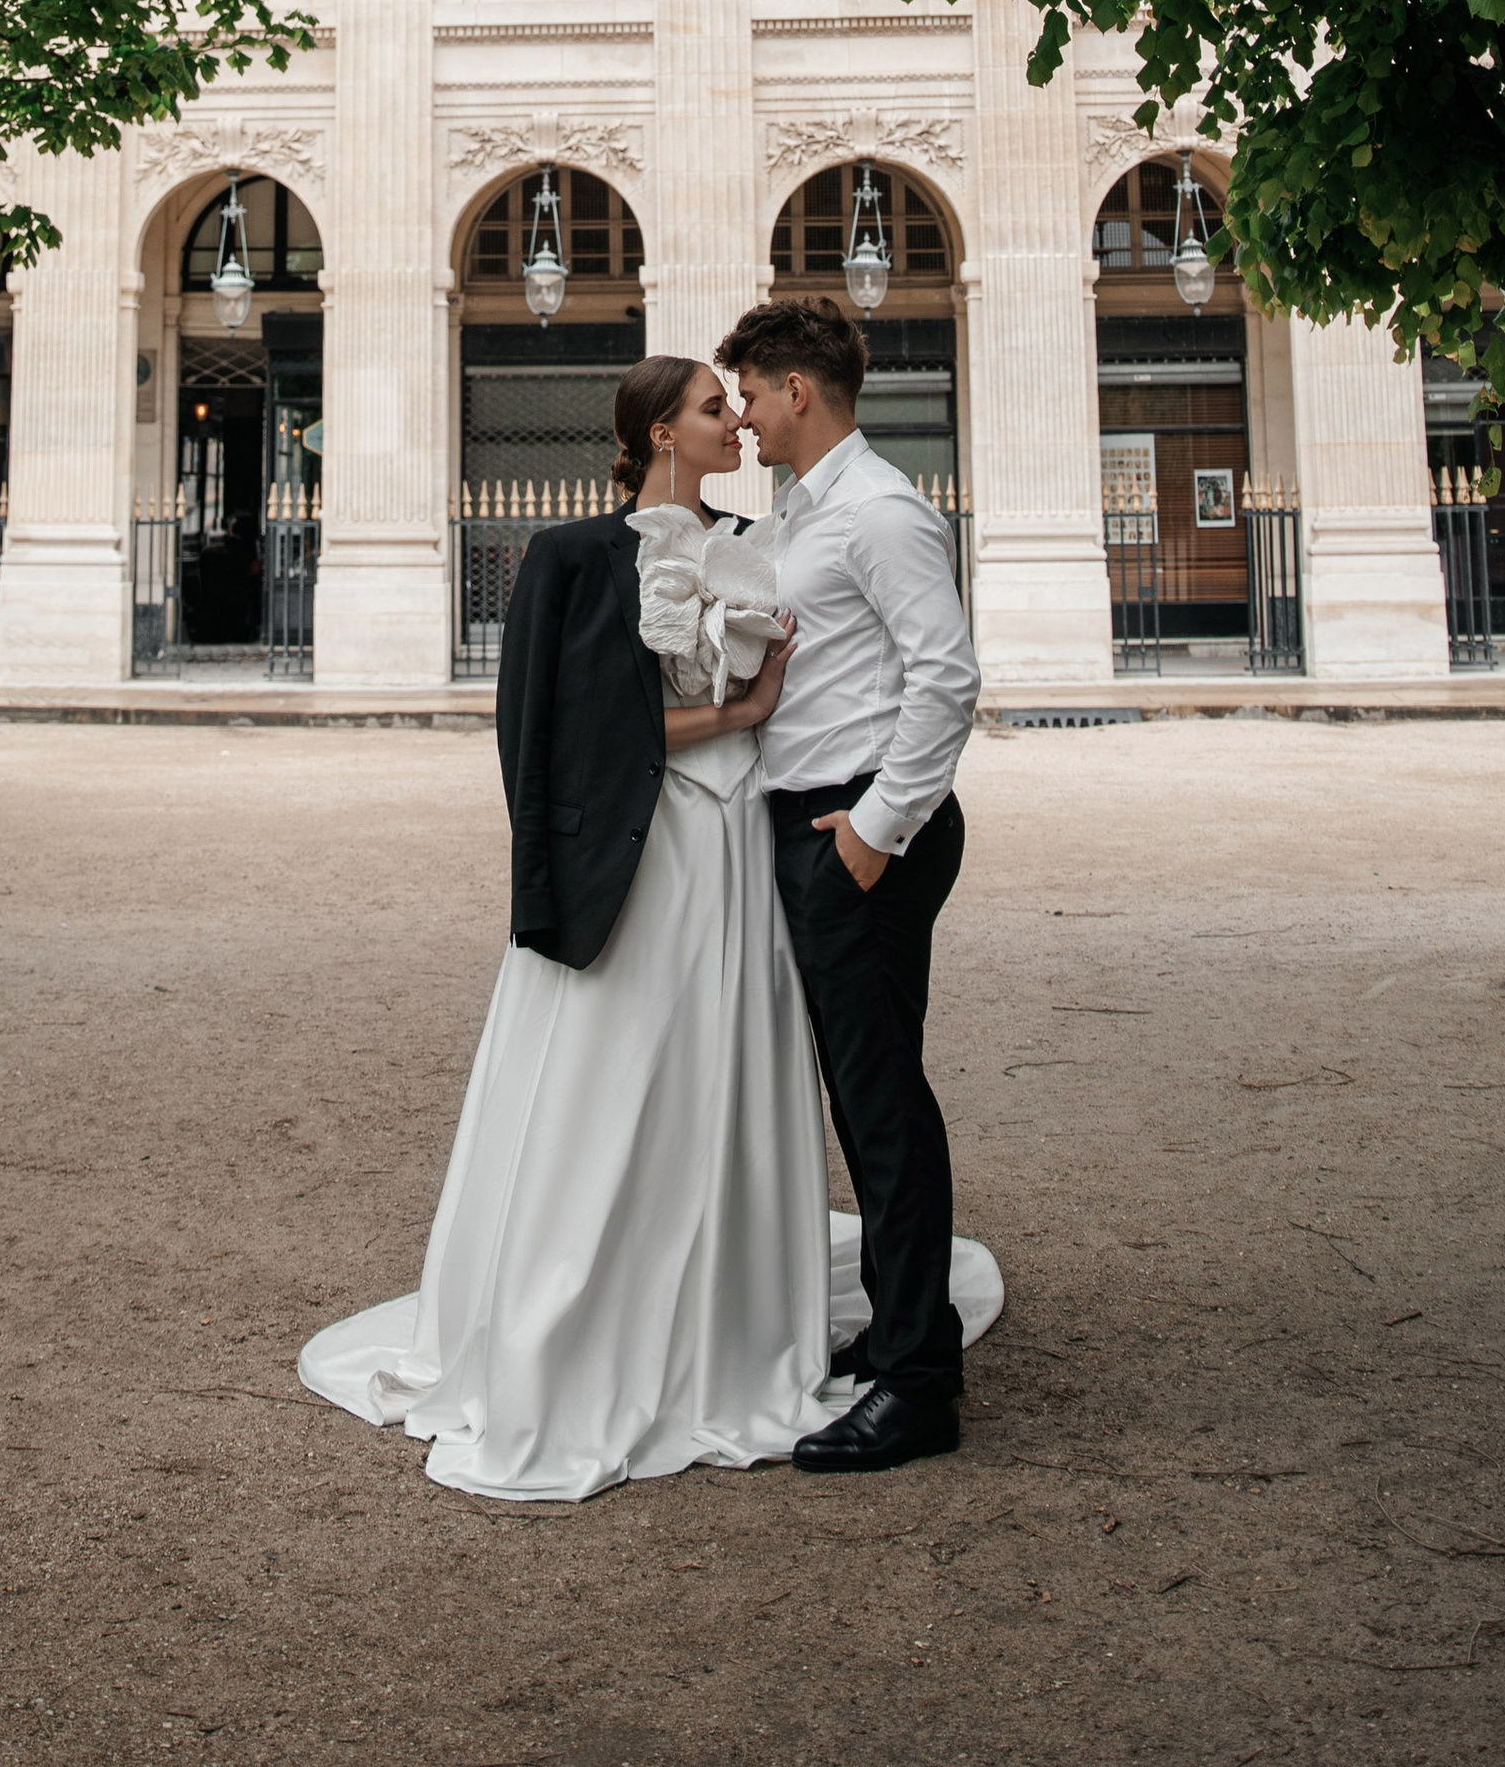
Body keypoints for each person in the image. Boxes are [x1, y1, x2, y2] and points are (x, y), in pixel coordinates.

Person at [298, 355, 997, 1500]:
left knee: (743, 1076)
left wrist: (829, 781)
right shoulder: (574, 557)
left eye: (745, 401)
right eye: (717, 408)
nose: (741, 423)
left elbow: (893, 677)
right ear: (661, 433)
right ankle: (615, 1307)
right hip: (655, 842)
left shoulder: (766, 542)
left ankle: (746, 1316)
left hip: (746, 846)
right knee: (625, 1072)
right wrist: (736, 713)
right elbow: (557, 741)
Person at [716, 293, 985, 1476]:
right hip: (827, 819)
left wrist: (872, 836)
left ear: (797, 392)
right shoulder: (806, 509)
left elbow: (947, 680)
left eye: (749, 396)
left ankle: (921, 1384)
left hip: (864, 825)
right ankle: (899, 1329)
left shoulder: (878, 513)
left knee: (879, 1102)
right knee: (864, 1093)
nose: (741, 418)